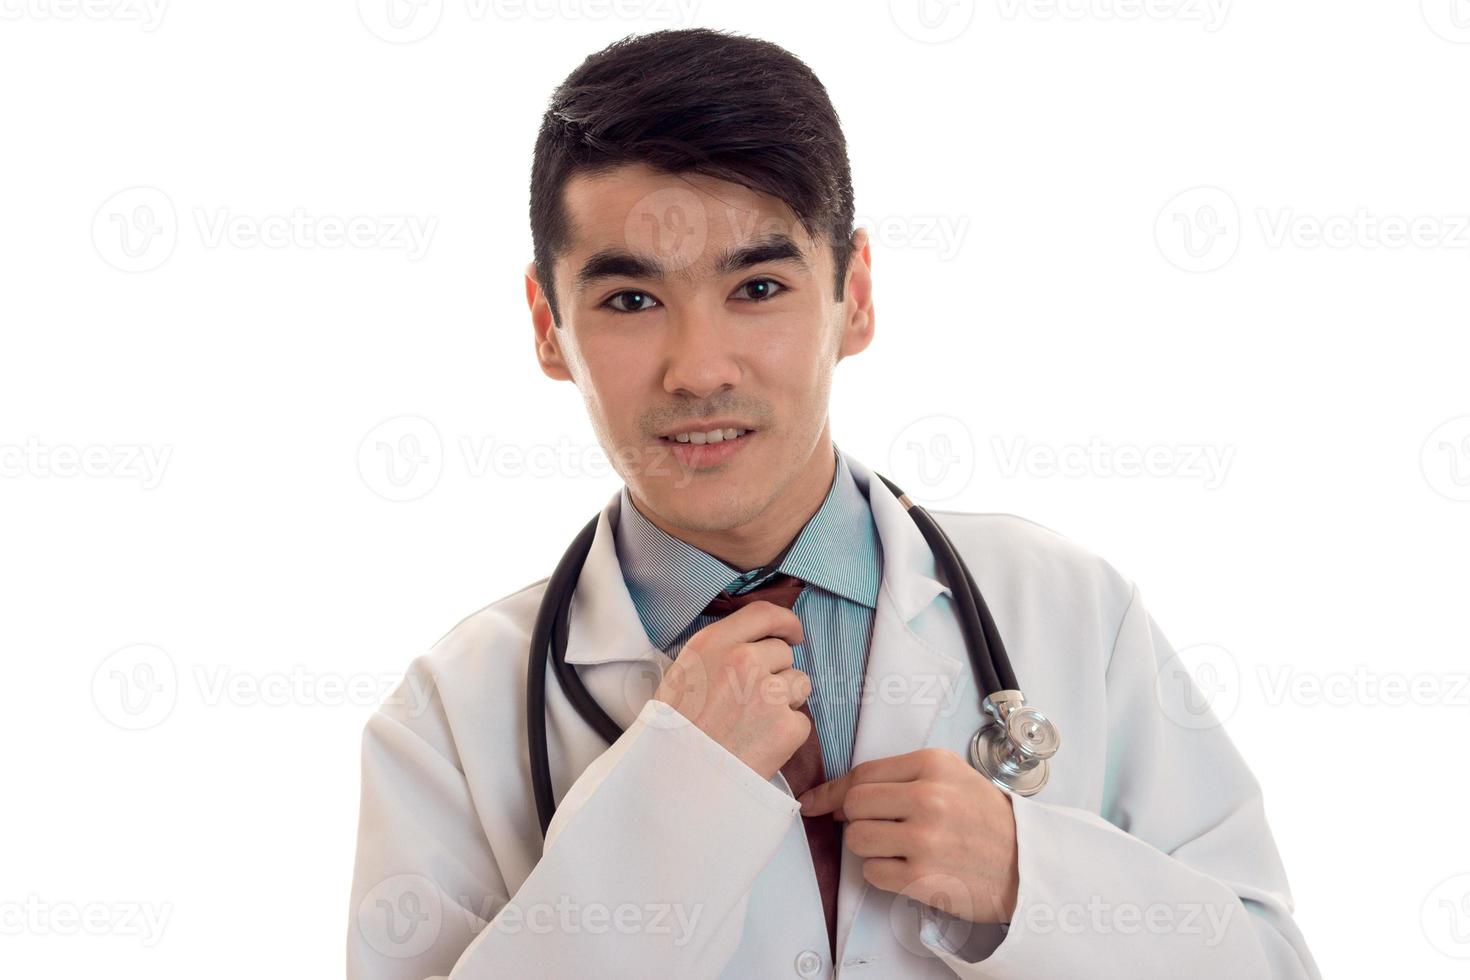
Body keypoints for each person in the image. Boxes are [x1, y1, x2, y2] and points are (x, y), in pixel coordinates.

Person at [346, 27, 1321, 979]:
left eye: (759, 285)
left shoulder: (1071, 608)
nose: (700, 369)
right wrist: (669, 799)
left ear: (853, 294)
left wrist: (1034, 882)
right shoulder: (449, 715)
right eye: (631, 301)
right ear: (547, 327)